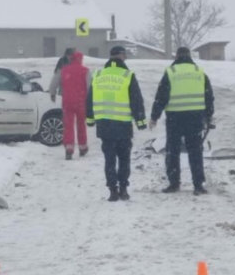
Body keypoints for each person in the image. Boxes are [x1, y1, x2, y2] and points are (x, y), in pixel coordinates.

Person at [150, 47, 215, 195]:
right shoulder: (199, 71)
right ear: (189, 56)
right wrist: (209, 115)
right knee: (195, 151)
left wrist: (155, 116)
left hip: (175, 117)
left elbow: (161, 97)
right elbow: (209, 96)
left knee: (173, 150)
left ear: (177, 56)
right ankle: (198, 185)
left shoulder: (171, 72)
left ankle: (174, 184)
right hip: (195, 117)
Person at [86, 46, 147, 202]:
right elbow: (136, 99)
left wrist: (90, 119)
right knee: (124, 158)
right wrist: (140, 120)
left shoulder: (98, 75)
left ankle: (113, 190)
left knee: (110, 159)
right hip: (123, 125)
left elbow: (90, 98)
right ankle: (123, 189)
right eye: (124, 56)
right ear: (121, 56)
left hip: (104, 125)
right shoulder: (127, 75)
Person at [50, 51, 91, 160]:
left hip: (67, 101)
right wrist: (90, 100)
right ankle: (82, 147)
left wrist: (52, 93)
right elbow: (89, 87)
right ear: (80, 59)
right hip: (81, 102)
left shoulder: (64, 70)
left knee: (68, 125)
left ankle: (69, 148)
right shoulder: (85, 71)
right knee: (81, 124)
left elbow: (54, 82)